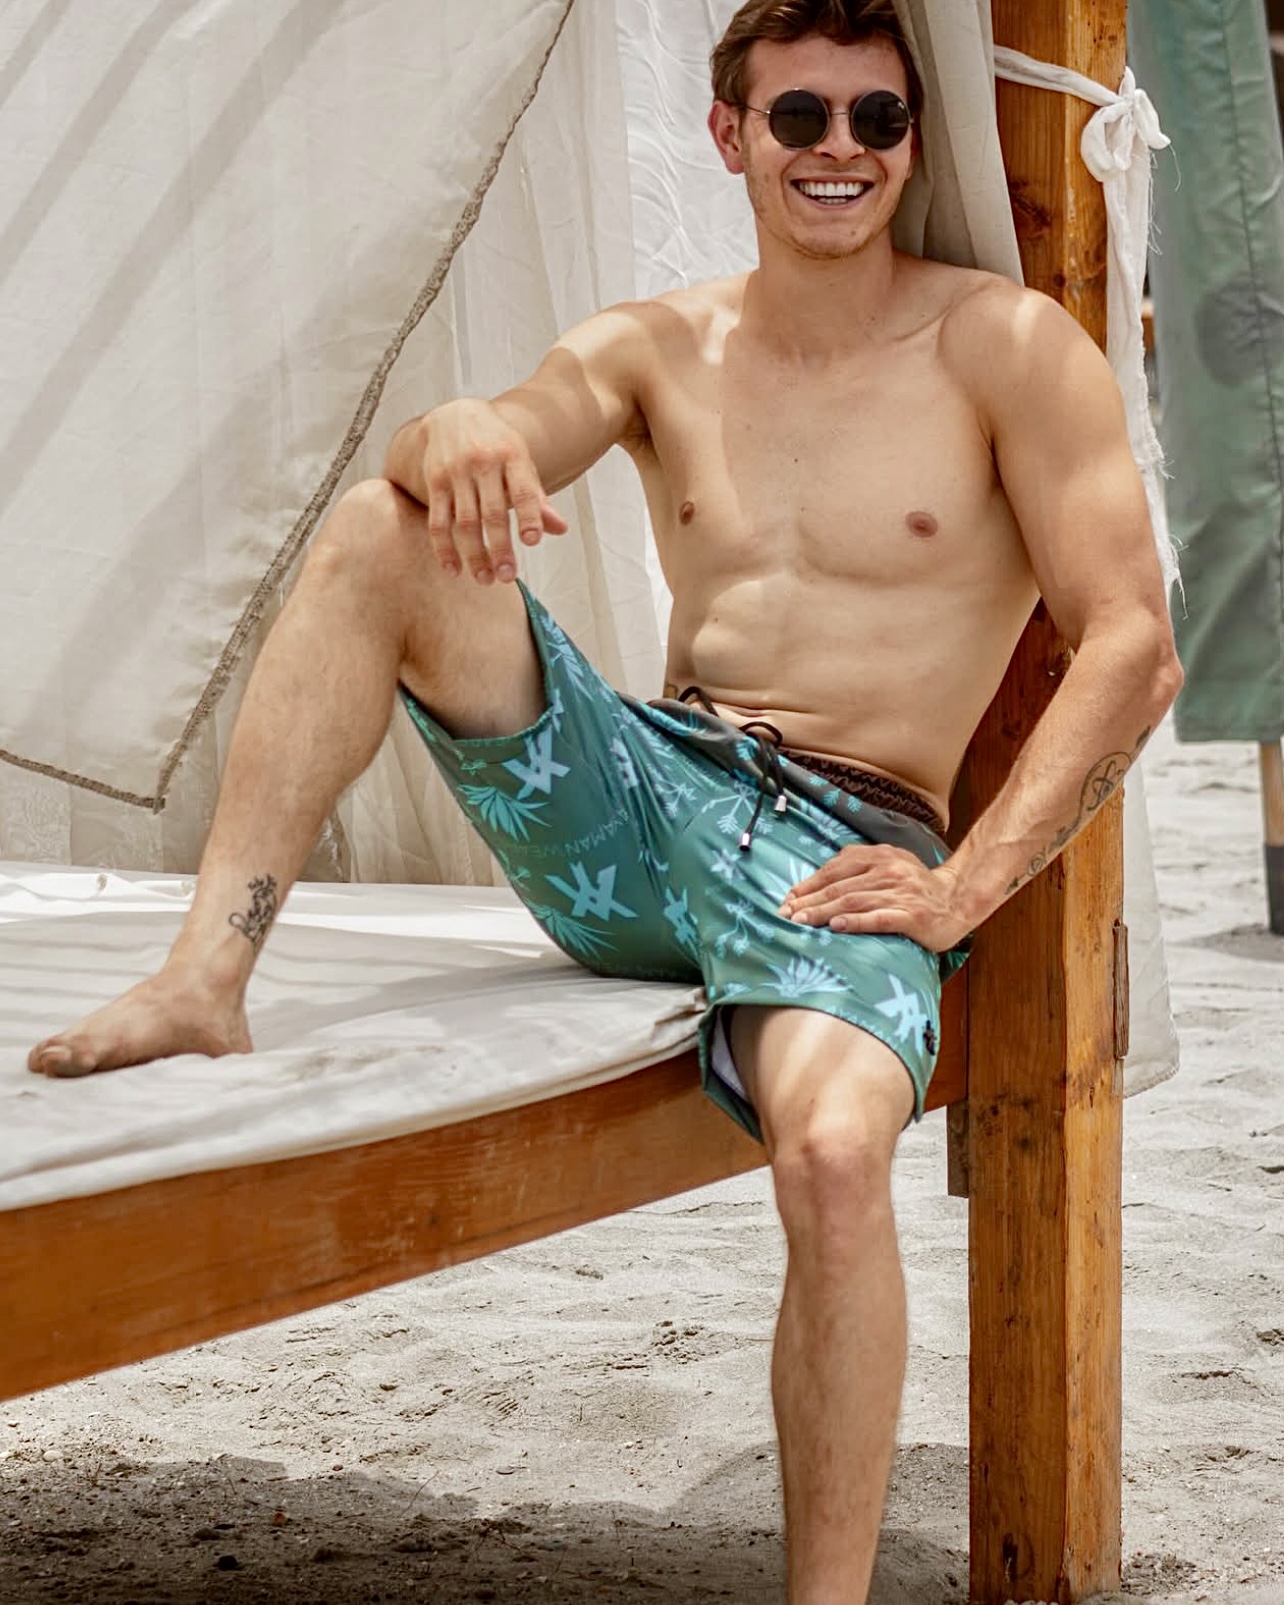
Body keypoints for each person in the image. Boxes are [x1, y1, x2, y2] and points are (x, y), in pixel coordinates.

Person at [28, 1, 1181, 1599]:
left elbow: (1132, 640)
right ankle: (205, 977)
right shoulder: (661, 347)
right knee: (383, 523)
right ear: (731, 135)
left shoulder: (1000, 346)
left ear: (914, 141)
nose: (840, 151)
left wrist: (963, 887)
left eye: (876, 118)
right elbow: (494, 429)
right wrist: (457, 432)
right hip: (643, 795)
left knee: (835, 1159)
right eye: (799, 117)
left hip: (842, 844)